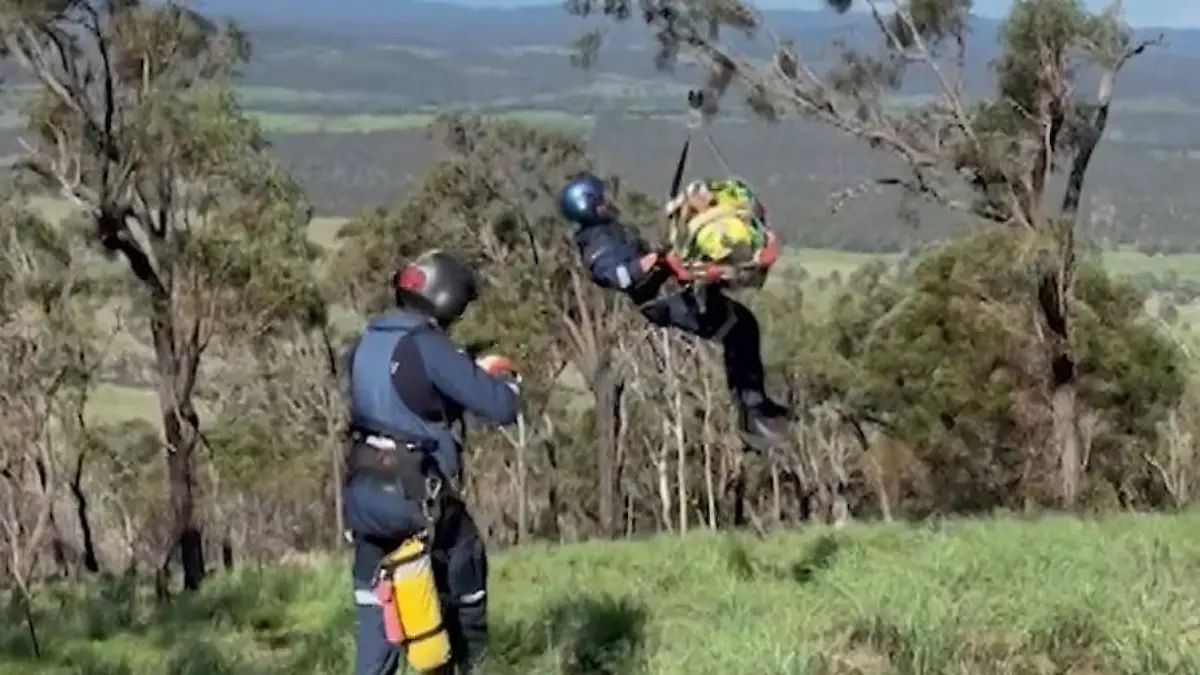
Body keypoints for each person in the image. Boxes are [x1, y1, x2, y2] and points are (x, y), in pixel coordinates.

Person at [341, 249, 520, 675]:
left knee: (375, 604)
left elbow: (403, 402)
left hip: (363, 494)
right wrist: (503, 381)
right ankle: (472, 663)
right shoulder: (428, 345)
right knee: (464, 561)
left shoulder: (365, 341)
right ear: (447, 298)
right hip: (414, 496)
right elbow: (500, 407)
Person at [558, 173, 790, 450]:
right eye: (600, 200)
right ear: (588, 207)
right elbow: (622, 276)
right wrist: (658, 257)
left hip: (670, 291)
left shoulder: (606, 231)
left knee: (742, 325)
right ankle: (754, 418)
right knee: (738, 330)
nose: (607, 202)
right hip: (666, 300)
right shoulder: (596, 245)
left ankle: (756, 408)